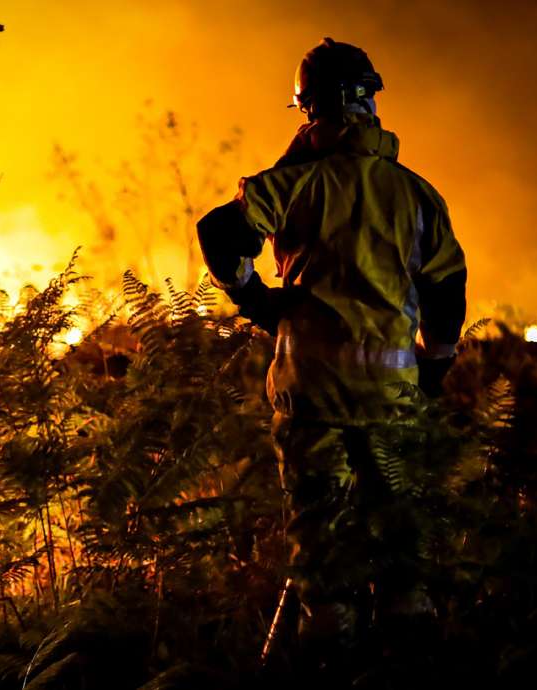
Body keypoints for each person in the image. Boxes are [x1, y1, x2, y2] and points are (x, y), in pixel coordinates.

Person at [196, 38, 468, 653]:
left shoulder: (290, 184)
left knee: (321, 544)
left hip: (311, 396)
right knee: (399, 535)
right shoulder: (417, 194)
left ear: (310, 109)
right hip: (392, 401)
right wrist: (437, 365)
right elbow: (446, 288)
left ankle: (328, 661)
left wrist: (254, 297)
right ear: (372, 101)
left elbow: (218, 232)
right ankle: (406, 658)